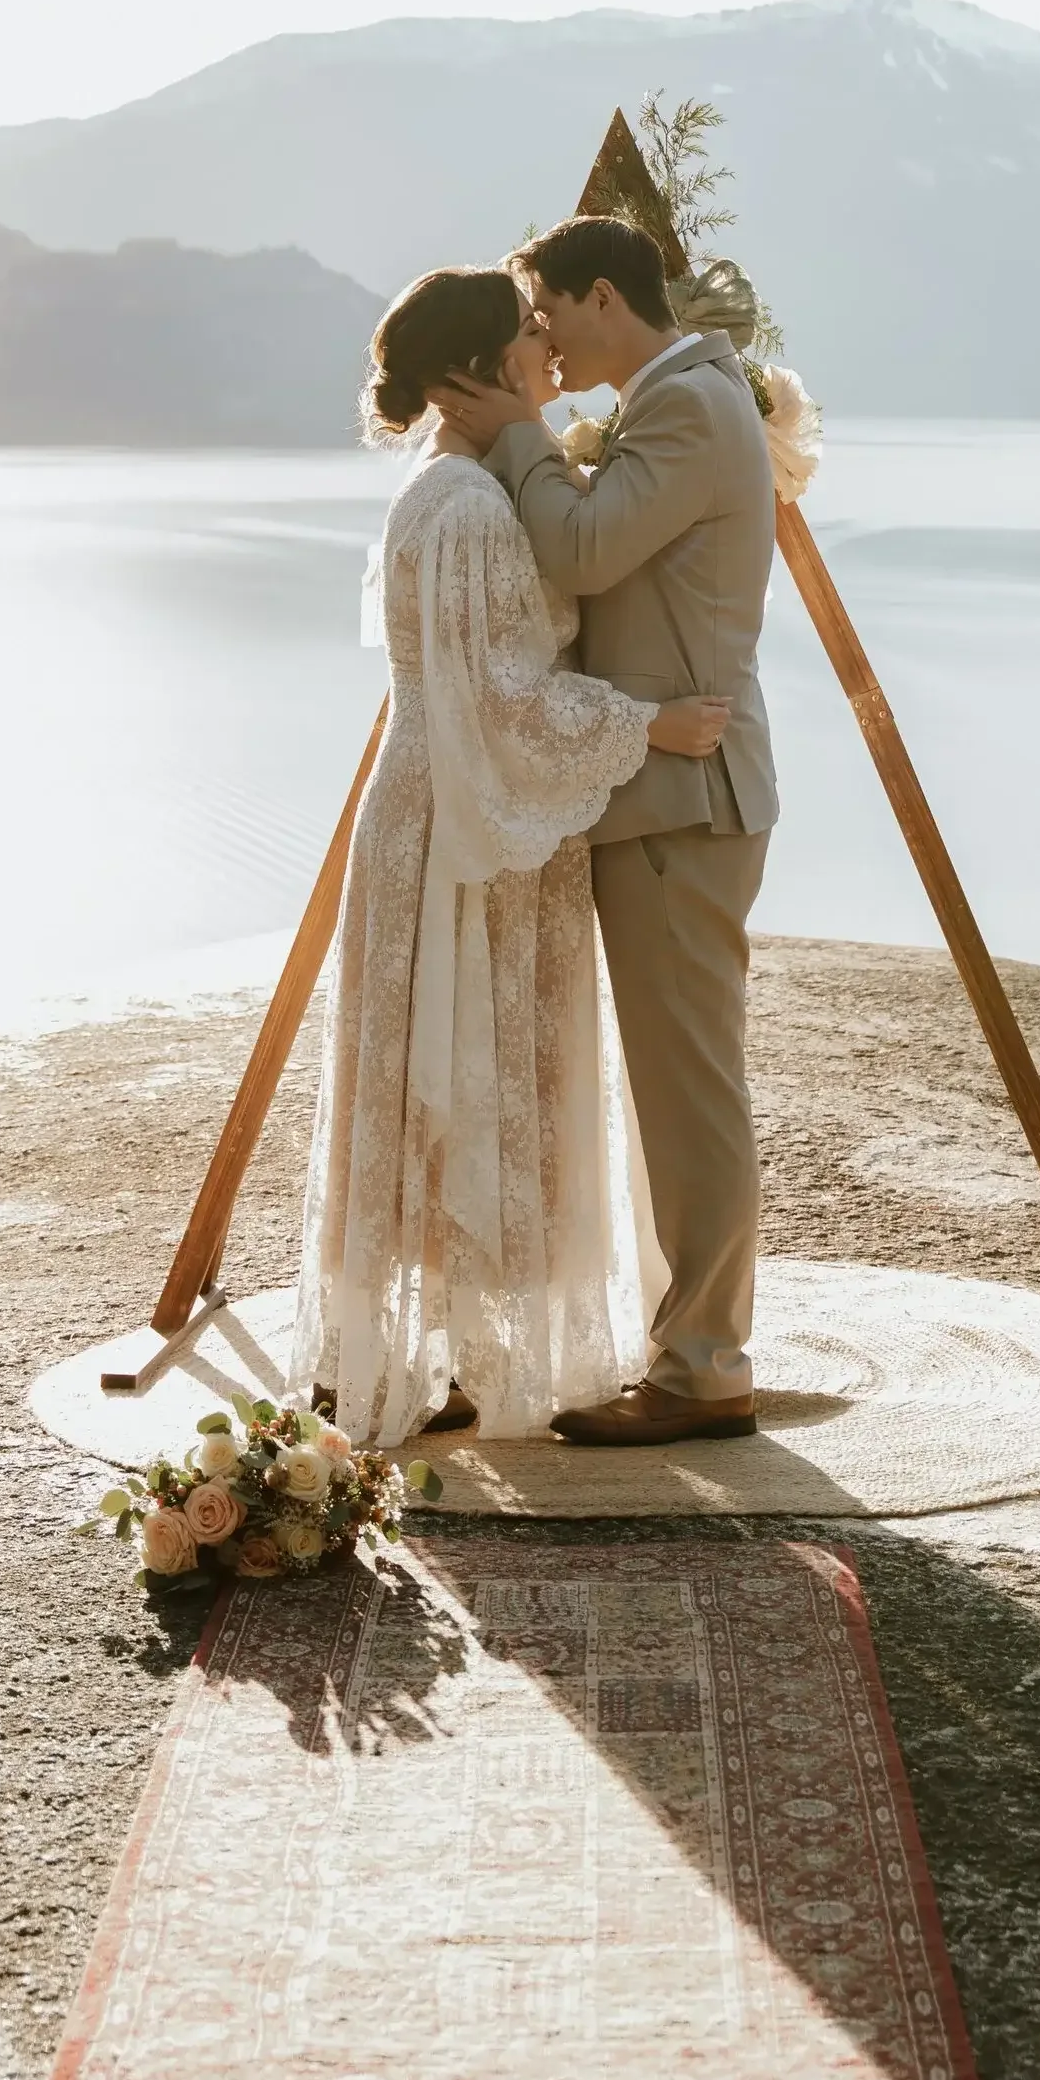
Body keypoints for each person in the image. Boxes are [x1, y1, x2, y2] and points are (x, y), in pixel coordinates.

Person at [292, 263, 730, 1447]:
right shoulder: (472, 508)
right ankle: (435, 1365)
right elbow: (500, 699)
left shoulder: (459, 485)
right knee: (462, 1077)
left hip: (454, 809)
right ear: (477, 368)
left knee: (442, 1079)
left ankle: (424, 1358)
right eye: (529, 332)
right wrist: (646, 724)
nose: (548, 346)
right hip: (467, 828)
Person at [432, 214, 777, 1448]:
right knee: (675, 1087)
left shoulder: (688, 406)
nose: (542, 337)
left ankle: (704, 1371)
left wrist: (515, 433)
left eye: (547, 311)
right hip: (658, 788)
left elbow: (579, 553)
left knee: (690, 1093)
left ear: (599, 298)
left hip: (686, 794)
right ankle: (685, 1346)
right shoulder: (677, 399)